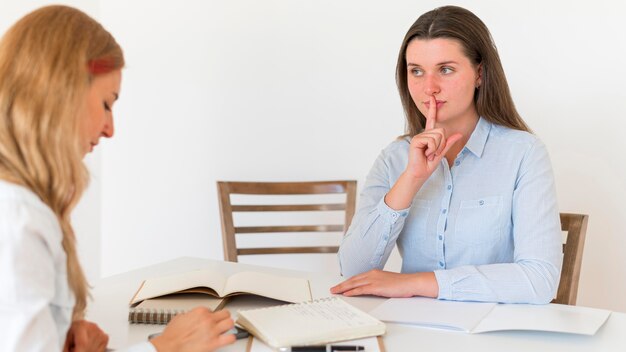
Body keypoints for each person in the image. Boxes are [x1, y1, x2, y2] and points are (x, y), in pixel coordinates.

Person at [0, 5, 236, 351]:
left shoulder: (24, 205)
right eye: (107, 104)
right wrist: (165, 347)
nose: (110, 129)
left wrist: (58, 331)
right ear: (61, 92)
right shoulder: (17, 219)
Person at [331, 5, 562, 304]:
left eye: (446, 69)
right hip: (411, 330)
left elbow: (540, 281)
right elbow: (352, 270)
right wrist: (412, 179)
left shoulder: (523, 153)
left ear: (479, 73)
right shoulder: (394, 157)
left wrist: (415, 283)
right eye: (416, 71)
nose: (429, 88)